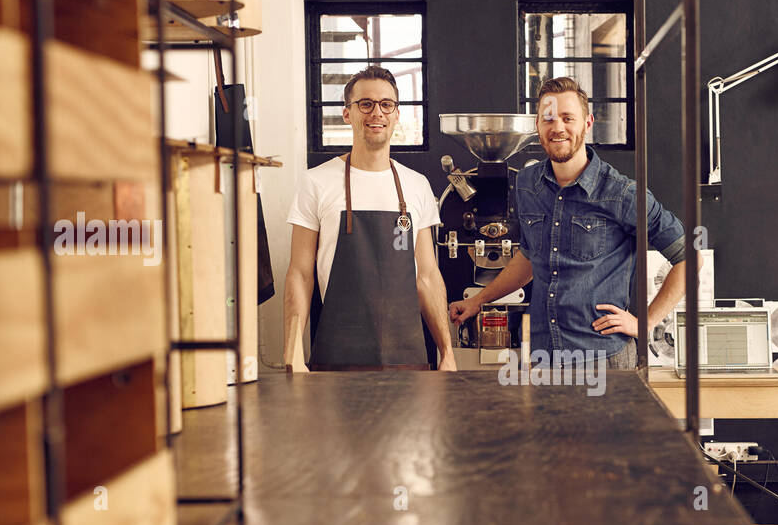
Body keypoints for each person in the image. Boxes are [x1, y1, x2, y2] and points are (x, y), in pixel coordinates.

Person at [448, 76, 697, 370]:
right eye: (549, 119)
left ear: (587, 123)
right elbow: (529, 257)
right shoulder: (527, 184)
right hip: (544, 357)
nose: (558, 128)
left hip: (604, 360)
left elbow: (688, 258)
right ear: (537, 126)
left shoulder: (622, 193)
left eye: (568, 118)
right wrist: (480, 301)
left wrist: (645, 323)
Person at [284, 66, 456, 372]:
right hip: (336, 364)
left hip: (408, 363)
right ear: (348, 113)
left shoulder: (416, 185)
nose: (376, 112)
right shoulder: (316, 182)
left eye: (386, 104)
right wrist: (293, 354)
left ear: (396, 114)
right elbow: (300, 273)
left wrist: (447, 352)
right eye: (365, 104)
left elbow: (427, 276)